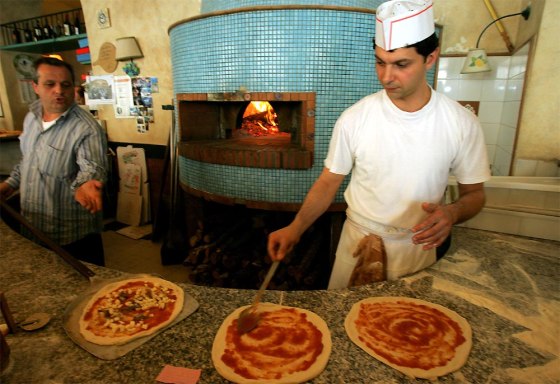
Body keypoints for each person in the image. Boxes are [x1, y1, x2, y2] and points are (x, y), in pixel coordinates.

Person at [267, 0, 491, 289]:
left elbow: (475, 195)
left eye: (401, 64)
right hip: (357, 244)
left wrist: (452, 212)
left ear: (430, 57)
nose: (386, 77)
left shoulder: (461, 123)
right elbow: (327, 183)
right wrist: (295, 228)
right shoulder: (355, 117)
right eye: (380, 62)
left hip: (416, 250)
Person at [0, 57, 108, 266]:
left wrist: (87, 184)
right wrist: (9, 184)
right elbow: (28, 160)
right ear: (36, 87)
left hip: (72, 237)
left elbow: (92, 168)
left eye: (65, 85)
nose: (59, 90)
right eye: (50, 84)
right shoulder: (31, 118)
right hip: (32, 228)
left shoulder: (86, 128)